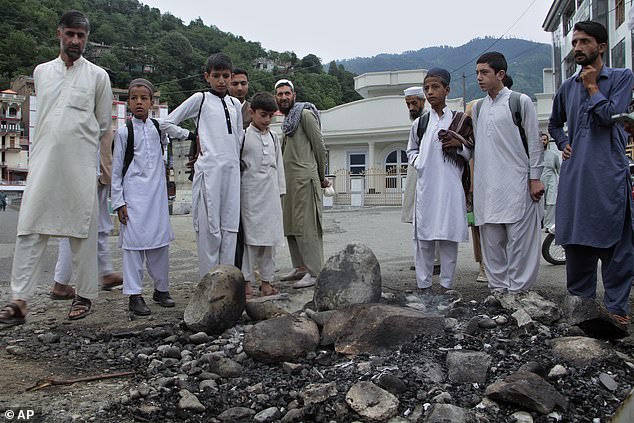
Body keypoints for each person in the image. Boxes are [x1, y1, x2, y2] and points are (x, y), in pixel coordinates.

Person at [0, 10, 112, 327]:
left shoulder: (98, 77)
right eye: (70, 34)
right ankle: (19, 301)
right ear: (59, 33)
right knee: (30, 228)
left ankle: (85, 295)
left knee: (83, 230)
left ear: (86, 39)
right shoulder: (42, 72)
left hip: (80, 164)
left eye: (81, 36)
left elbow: (103, 123)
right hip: (44, 163)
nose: (75, 41)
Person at [549, 20, 634, 325]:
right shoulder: (567, 87)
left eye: (584, 42)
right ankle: (581, 308)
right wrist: (563, 143)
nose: (577, 48)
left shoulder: (623, 77)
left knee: (617, 245)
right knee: (577, 243)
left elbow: (611, 117)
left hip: (608, 173)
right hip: (575, 176)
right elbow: (554, 123)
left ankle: (616, 308)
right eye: (574, 43)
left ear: (601, 47)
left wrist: (592, 87)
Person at [161, 53, 243, 277]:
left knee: (230, 229)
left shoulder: (235, 104)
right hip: (209, 172)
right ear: (207, 76)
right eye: (216, 75)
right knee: (209, 231)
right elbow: (166, 123)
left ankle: (227, 285)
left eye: (226, 76)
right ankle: (208, 286)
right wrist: (191, 135)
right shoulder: (201, 99)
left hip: (232, 172)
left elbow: (238, 139)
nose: (221, 81)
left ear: (231, 76)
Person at [472, 51, 544, 294]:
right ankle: (499, 292)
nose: (479, 78)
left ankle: (519, 293)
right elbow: (476, 147)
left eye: (485, 72)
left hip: (517, 185)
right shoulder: (478, 108)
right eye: (477, 73)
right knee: (492, 244)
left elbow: (534, 143)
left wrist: (535, 178)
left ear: (500, 74)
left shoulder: (519, 101)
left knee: (520, 244)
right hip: (487, 187)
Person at [111, 78, 175, 316]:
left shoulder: (158, 128)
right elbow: (117, 171)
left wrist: (193, 136)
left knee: (160, 247)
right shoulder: (123, 132)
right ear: (128, 102)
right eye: (134, 98)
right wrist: (119, 202)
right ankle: (134, 295)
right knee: (134, 249)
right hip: (134, 200)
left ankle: (161, 290)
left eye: (144, 98)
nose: (139, 102)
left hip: (156, 198)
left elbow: (175, 133)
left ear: (151, 103)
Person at [407, 68, 473, 293]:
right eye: (426, 88)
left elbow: (471, 150)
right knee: (423, 239)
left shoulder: (460, 120)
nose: (430, 92)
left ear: (447, 89)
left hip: (450, 186)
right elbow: (411, 150)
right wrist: (420, 162)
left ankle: (446, 285)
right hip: (427, 187)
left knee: (448, 237)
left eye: (435, 87)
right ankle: (423, 285)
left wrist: (459, 146)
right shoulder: (421, 123)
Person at [50, 130, 123, 300]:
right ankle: (60, 283)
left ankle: (106, 273)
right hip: (86, 176)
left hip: (94, 174)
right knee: (73, 228)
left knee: (99, 226)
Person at [275, 79, 330, 288]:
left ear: (294, 95)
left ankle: (315, 271)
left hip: (305, 179)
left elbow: (319, 146)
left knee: (307, 226)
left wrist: (321, 176)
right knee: (291, 225)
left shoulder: (305, 114)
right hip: (288, 182)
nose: (283, 97)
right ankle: (300, 267)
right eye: (279, 94)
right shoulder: (288, 120)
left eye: (287, 93)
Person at [240, 92, 285, 298]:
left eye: (270, 116)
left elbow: (279, 168)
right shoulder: (242, 137)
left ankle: (266, 282)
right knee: (250, 242)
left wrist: (281, 192)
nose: (267, 120)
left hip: (271, 196)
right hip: (249, 197)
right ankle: (246, 282)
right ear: (252, 112)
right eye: (263, 115)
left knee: (270, 242)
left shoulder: (274, 137)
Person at [230, 67, 251, 270]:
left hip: (248, 176)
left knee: (246, 226)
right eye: (235, 83)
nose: (239, 87)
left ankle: (244, 271)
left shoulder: (254, 111)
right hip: (225, 175)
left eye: (243, 83)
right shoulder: (220, 107)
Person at [540, 133, 560, 231]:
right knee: (539, 203)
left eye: (545, 140)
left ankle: (549, 225)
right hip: (539, 180)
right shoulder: (534, 155)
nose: (543, 142)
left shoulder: (553, 155)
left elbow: (558, 169)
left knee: (551, 202)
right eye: (541, 140)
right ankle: (539, 223)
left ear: (547, 141)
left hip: (551, 179)